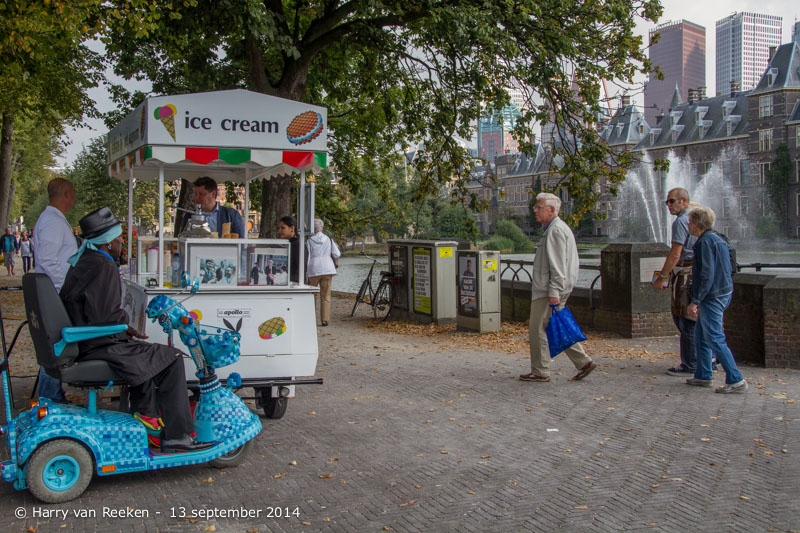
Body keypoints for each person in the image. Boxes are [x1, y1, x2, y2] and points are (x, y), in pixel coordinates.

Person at [60, 207, 213, 452]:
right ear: (108, 243)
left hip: (88, 341)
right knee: (172, 358)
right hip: (98, 345)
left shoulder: (84, 261)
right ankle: (178, 436)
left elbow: (97, 312)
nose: (122, 243)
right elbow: (105, 317)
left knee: (148, 354)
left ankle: (147, 418)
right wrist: (124, 325)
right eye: (119, 239)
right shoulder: (103, 266)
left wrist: (126, 329)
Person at [520, 192, 597, 383]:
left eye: (539, 207)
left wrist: (554, 291)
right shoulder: (557, 229)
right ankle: (583, 362)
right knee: (556, 325)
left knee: (537, 329)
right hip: (553, 289)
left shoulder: (555, 231)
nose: (535, 210)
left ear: (551, 209)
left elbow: (557, 265)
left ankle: (540, 371)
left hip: (547, 291)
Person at [684, 206, 747, 394]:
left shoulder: (704, 242)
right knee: (701, 336)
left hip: (712, 296)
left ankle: (736, 379)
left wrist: (695, 301)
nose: (688, 225)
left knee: (714, 337)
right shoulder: (718, 239)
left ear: (697, 223)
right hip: (723, 291)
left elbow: (706, 275)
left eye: (690, 222)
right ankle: (703, 375)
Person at [33, 178, 78, 403]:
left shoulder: (54, 219)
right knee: (56, 346)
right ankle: (50, 396)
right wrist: (64, 288)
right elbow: (48, 259)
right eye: (73, 193)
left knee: (54, 347)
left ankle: (51, 394)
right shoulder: (52, 221)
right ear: (67, 194)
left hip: (54, 292)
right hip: (55, 293)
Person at [650, 187, 699, 377]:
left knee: (684, 318)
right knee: (695, 319)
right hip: (696, 272)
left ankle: (691, 363)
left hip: (686, 273)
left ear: (683, 201)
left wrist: (662, 277)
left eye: (671, 201)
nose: (668, 205)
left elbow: (676, 253)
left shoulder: (681, 221)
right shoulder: (695, 217)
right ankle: (707, 359)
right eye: (667, 202)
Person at [180, 176, 244, 238]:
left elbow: (241, 242)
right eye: (195, 194)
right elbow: (183, 239)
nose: (196, 198)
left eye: (201, 194)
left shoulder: (232, 215)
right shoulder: (189, 216)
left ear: (213, 194)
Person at [306, 218, 340, 327]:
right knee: (325, 296)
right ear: (322, 228)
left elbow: (308, 257)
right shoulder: (329, 239)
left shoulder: (309, 241)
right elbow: (336, 253)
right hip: (327, 268)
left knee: (312, 295)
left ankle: (310, 318)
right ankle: (324, 320)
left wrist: (306, 272)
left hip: (313, 268)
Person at [277, 215, 300, 283]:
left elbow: (301, 267)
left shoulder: (297, 244)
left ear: (292, 228)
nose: (279, 231)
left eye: (283, 228)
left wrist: (294, 283)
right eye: (279, 228)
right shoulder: (289, 243)